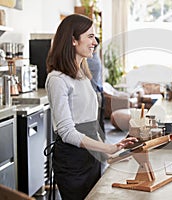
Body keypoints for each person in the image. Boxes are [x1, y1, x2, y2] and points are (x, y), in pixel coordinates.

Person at [45, 14, 138, 200]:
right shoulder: (57, 79)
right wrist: (106, 149)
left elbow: (91, 125)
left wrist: (110, 150)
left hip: (90, 158)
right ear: (73, 40)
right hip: (72, 161)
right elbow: (67, 132)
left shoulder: (82, 74)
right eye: (90, 36)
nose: (95, 42)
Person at [87, 37, 105, 141]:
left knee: (94, 126)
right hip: (97, 92)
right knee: (98, 124)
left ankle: (100, 152)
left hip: (94, 94)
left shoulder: (91, 60)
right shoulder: (95, 56)